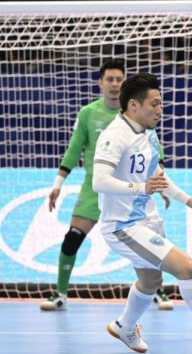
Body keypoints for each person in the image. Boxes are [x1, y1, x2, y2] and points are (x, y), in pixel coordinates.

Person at [93, 73, 192, 354]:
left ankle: (124, 326)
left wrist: (188, 200)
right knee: (186, 267)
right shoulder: (114, 136)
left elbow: (156, 175)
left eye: (161, 104)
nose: (160, 110)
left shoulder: (148, 133)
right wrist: (140, 187)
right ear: (133, 105)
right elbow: (99, 180)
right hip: (122, 226)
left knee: (150, 283)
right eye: (155, 104)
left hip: (146, 219)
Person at [41, 60, 174, 312]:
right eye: (110, 79)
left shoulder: (134, 113)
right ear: (100, 82)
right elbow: (73, 150)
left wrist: (163, 185)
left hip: (131, 191)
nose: (114, 84)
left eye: (119, 80)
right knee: (72, 238)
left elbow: (155, 152)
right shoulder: (88, 113)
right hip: (96, 187)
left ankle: (158, 292)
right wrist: (58, 183)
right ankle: (60, 294)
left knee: (151, 241)